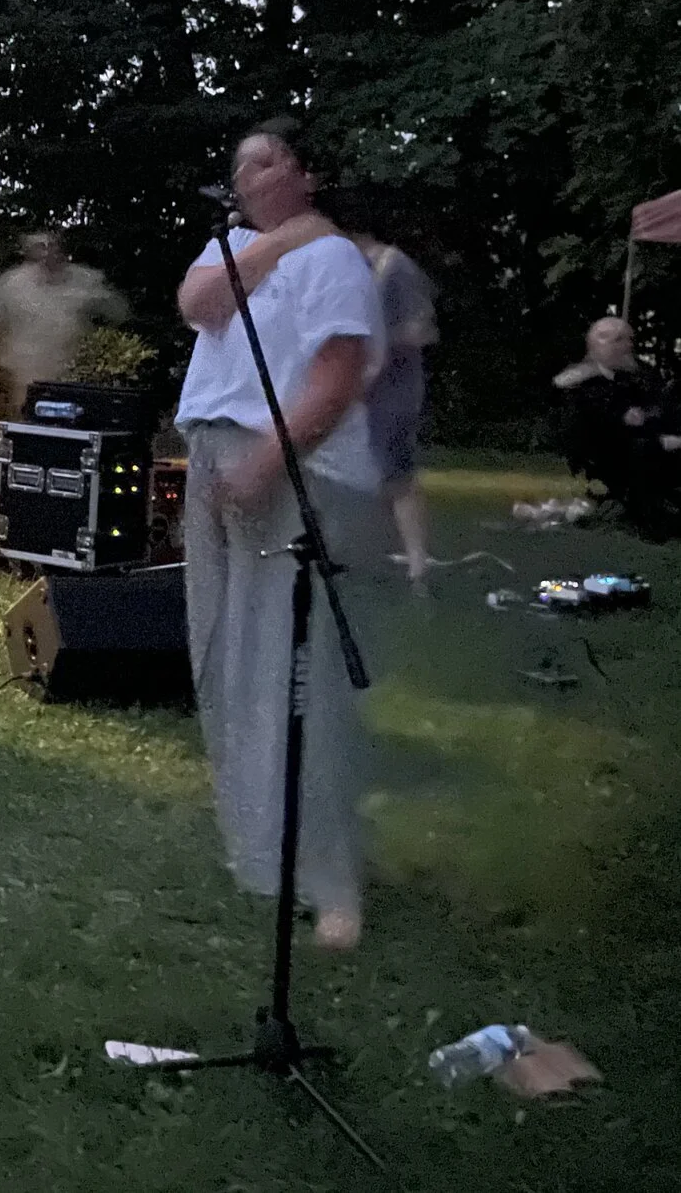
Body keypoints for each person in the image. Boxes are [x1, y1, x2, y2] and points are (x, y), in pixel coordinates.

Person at [174, 120, 388, 952]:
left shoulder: (333, 261)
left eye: (265, 161)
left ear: (307, 172)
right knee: (224, 659)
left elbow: (336, 379)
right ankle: (262, 852)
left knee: (293, 673)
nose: (246, 176)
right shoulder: (233, 248)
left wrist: (266, 462)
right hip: (212, 459)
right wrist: (283, 236)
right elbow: (198, 302)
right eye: (239, 166)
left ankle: (332, 878)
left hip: (294, 469)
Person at [352, 229, 439, 588]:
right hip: (361, 390)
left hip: (394, 390)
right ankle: (368, 551)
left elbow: (422, 329)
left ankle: (418, 563)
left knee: (396, 472)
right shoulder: (356, 266)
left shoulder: (394, 267)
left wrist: (379, 345)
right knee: (366, 474)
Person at [0, 230, 127, 413]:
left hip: (76, 384)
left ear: (60, 248)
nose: (46, 252)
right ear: (28, 251)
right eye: (39, 246)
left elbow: (119, 314)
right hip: (27, 385)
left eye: (51, 245)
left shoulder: (84, 281)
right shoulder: (10, 285)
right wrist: (2, 363)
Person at [555, 317, 679, 541]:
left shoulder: (639, 377)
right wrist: (657, 438)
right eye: (618, 340)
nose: (627, 346)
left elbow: (658, 409)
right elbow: (600, 426)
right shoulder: (580, 382)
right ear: (597, 344)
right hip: (606, 457)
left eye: (629, 340)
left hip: (645, 445)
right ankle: (647, 521)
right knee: (644, 451)